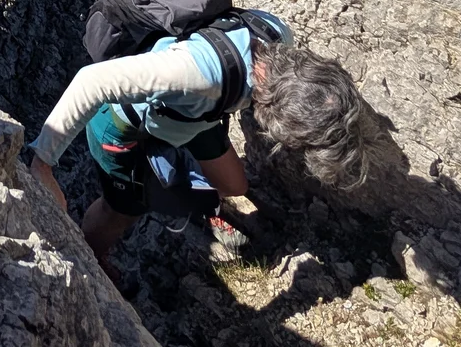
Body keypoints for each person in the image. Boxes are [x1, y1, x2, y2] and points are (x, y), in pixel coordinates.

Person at [27, 20, 368, 280]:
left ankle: (190, 189)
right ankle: (94, 259)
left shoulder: (277, 35)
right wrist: (43, 164)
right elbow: (92, 82)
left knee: (235, 186)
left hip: (195, 113)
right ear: (276, 114)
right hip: (120, 123)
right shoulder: (195, 75)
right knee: (122, 210)